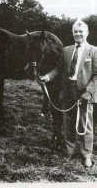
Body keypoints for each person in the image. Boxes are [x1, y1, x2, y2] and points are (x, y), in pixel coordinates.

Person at [40, 20, 97, 168]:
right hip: (67, 91)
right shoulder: (66, 50)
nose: (78, 34)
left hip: (85, 93)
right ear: (72, 33)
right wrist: (47, 76)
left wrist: (89, 93)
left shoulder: (94, 51)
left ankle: (86, 155)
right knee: (69, 123)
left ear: (87, 33)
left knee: (86, 125)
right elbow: (59, 70)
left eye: (80, 32)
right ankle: (69, 150)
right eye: (75, 32)